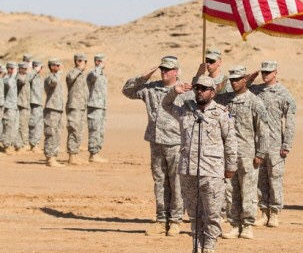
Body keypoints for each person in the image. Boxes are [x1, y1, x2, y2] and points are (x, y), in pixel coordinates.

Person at [162, 75, 237, 253]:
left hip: (212, 172)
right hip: (188, 171)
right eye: (197, 88)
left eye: (204, 89)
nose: (200, 92)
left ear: (213, 92)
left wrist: (230, 167)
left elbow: (230, 141)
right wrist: (174, 92)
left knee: (212, 215)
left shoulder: (221, 113)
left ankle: (209, 248)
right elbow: (166, 105)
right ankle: (197, 248)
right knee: (194, 215)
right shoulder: (186, 110)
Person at [122, 56, 184, 236]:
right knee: (160, 182)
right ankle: (161, 220)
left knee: (176, 183)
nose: (164, 72)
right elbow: (127, 91)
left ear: (176, 71)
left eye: (168, 69)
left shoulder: (184, 90)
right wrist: (142, 77)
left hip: (176, 142)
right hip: (156, 141)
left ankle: (175, 220)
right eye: (162, 69)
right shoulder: (151, 88)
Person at [217, 65, 269, 240]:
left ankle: (247, 225)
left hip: (248, 154)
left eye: (237, 79)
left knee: (248, 190)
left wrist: (260, 153)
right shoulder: (225, 100)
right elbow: (209, 96)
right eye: (232, 80)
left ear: (245, 80)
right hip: (229, 154)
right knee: (230, 190)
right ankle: (234, 225)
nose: (234, 83)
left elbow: (263, 129)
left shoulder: (255, 102)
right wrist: (221, 82)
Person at [249, 61, 296, 228]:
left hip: (275, 144)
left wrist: (287, 144)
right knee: (260, 179)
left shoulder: (284, 94)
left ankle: (275, 213)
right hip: (258, 144)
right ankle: (263, 212)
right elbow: (239, 89)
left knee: (275, 178)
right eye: (263, 72)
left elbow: (290, 121)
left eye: (268, 72)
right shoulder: (255, 91)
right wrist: (250, 78)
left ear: (275, 73)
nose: (265, 75)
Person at [65, 53, 89, 165]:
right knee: (73, 129)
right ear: (78, 61)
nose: (85, 64)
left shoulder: (81, 75)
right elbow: (69, 78)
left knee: (79, 131)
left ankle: (75, 154)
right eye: (84, 61)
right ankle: (72, 156)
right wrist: (78, 68)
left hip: (81, 106)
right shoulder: (73, 72)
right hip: (74, 106)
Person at [86, 53, 108, 163]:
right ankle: (93, 154)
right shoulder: (93, 73)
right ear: (97, 62)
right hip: (94, 106)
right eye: (104, 61)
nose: (106, 64)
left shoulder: (102, 75)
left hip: (101, 106)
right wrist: (99, 66)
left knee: (100, 130)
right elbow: (93, 76)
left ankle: (96, 152)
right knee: (94, 129)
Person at [43, 59, 65, 167]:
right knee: (50, 133)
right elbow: (53, 82)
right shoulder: (50, 77)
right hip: (51, 109)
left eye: (59, 65)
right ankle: (50, 158)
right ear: (52, 67)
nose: (59, 67)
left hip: (58, 109)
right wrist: (59, 72)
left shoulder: (57, 77)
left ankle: (53, 157)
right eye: (57, 65)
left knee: (57, 133)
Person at [2, 62, 19, 154]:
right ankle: (6, 146)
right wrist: (12, 75)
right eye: (14, 69)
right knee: (7, 127)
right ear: (9, 69)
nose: (16, 71)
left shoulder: (14, 78)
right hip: (8, 106)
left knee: (13, 127)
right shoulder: (6, 79)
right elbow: (9, 84)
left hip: (14, 106)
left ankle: (11, 144)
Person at [28, 61, 44, 153]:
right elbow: (27, 79)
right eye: (41, 67)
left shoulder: (38, 77)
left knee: (39, 124)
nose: (41, 70)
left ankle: (36, 144)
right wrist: (34, 70)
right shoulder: (32, 75)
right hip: (33, 102)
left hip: (39, 103)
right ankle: (33, 145)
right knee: (34, 123)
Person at [15, 62, 32, 152]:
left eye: (26, 69)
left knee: (25, 125)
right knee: (21, 125)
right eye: (23, 69)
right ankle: (20, 145)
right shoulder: (19, 77)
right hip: (21, 104)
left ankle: (24, 143)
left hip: (26, 104)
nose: (25, 71)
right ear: (20, 69)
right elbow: (22, 81)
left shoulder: (25, 76)